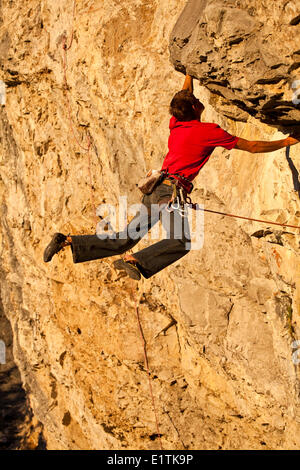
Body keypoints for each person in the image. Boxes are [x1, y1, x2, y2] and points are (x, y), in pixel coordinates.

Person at [43, 74, 299, 280]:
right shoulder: (208, 131)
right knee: (180, 241)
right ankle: (135, 261)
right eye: (195, 99)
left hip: (155, 188)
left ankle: (66, 241)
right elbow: (252, 146)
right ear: (194, 107)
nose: (198, 100)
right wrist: (287, 141)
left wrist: (189, 74)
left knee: (124, 239)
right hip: (170, 192)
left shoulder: (176, 123)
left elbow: (184, 97)